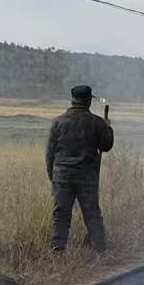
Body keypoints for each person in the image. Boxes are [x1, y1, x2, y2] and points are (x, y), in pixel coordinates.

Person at [45, 83, 114, 252]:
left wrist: (53, 178)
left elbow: (49, 154)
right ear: (89, 101)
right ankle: (100, 250)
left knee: (61, 215)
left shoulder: (57, 122)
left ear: (72, 100)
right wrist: (108, 127)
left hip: (61, 175)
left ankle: (58, 250)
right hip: (87, 177)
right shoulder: (97, 123)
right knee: (92, 214)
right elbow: (106, 146)